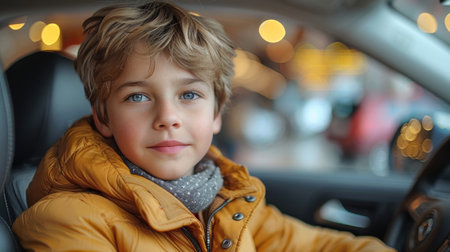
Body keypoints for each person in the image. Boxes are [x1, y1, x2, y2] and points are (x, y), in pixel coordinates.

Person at [12, 1, 396, 251]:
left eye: (190, 95)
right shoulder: (67, 220)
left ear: (216, 114)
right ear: (103, 117)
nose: (168, 117)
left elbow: (317, 246)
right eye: (138, 96)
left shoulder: (224, 200)